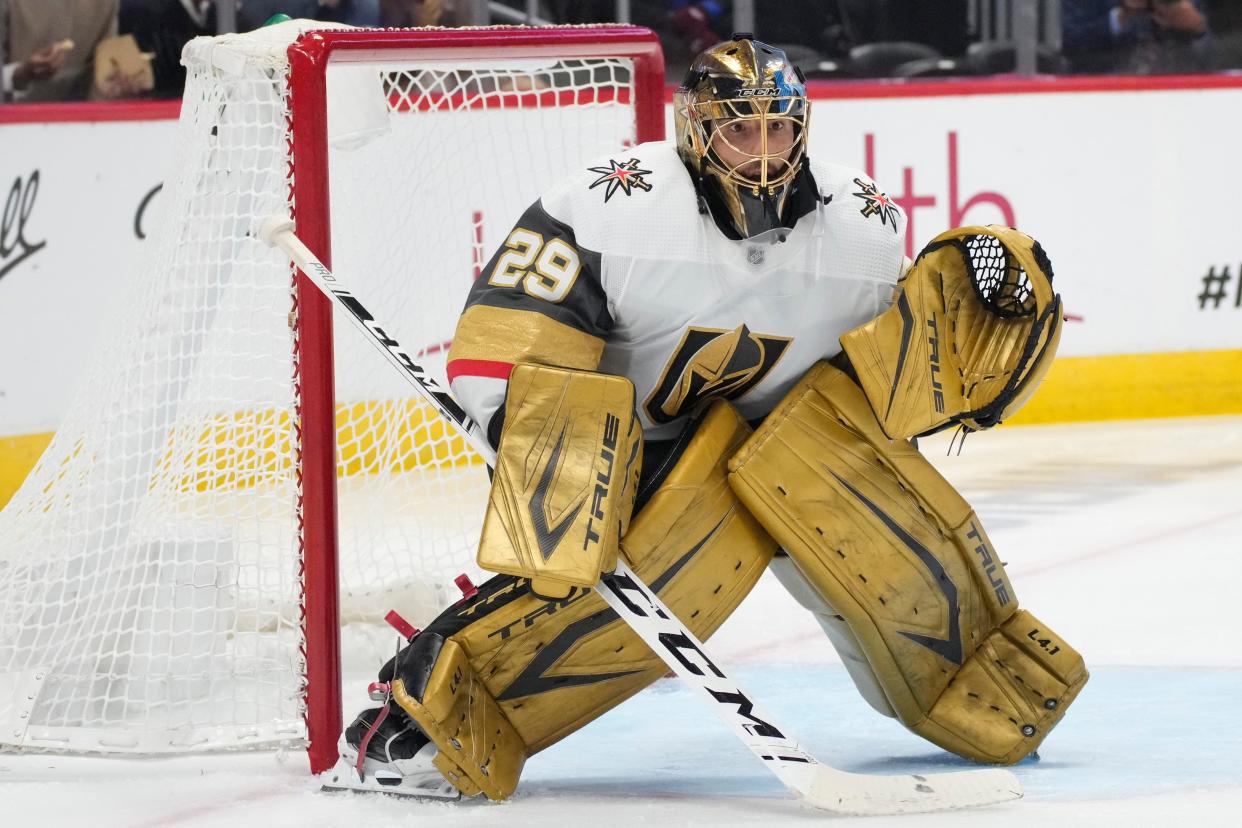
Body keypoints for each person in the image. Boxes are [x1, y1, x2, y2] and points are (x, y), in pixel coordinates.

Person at [322, 35, 1088, 801]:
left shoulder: (865, 225)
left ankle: (968, 672)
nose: (764, 149)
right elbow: (509, 332)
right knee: (610, 570)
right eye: (740, 127)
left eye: (780, 127)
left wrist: (954, 382)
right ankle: (414, 715)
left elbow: (885, 384)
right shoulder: (611, 204)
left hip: (794, 435)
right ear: (696, 127)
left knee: (880, 525)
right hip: (637, 447)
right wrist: (539, 445)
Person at [1, 0, 121, 102]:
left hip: (72, 122)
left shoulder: (105, 4)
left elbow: (103, 82)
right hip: (10, 118)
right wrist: (20, 75)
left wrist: (119, 90)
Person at [1063, 0, 1211, 73]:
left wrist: (1196, 27)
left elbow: (1217, 53)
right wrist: (1122, 15)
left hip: (1174, 94)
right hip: (1104, 94)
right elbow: (1068, 46)